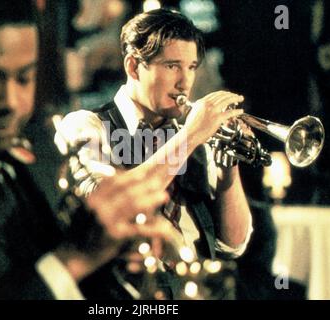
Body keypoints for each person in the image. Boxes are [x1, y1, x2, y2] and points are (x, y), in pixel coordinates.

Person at [0, 0, 171, 299]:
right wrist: (75, 260)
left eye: (25, 78)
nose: (11, 103)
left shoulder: (40, 150)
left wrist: (116, 254)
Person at [60, 8, 253, 299]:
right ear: (133, 67)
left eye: (191, 67)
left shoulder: (193, 137)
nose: (185, 82)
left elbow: (233, 243)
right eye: (172, 66)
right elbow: (116, 207)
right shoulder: (86, 125)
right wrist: (190, 136)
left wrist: (229, 169)